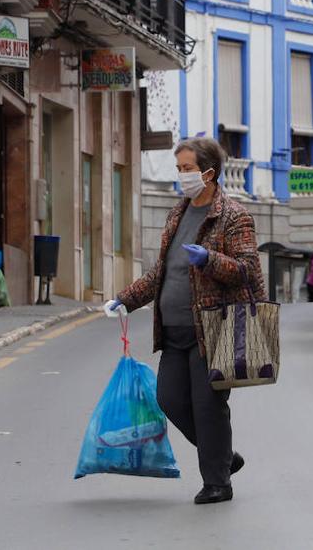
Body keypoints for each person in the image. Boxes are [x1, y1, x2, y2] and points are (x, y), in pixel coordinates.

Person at [104, 137, 265, 506]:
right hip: (174, 331)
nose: (181, 176)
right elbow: (162, 272)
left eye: (187, 169)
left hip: (211, 329)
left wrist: (209, 259)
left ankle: (217, 483)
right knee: (170, 399)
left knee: (208, 407)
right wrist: (126, 299)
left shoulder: (234, 216)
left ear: (208, 172)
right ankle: (224, 458)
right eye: (178, 169)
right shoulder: (178, 213)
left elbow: (248, 272)